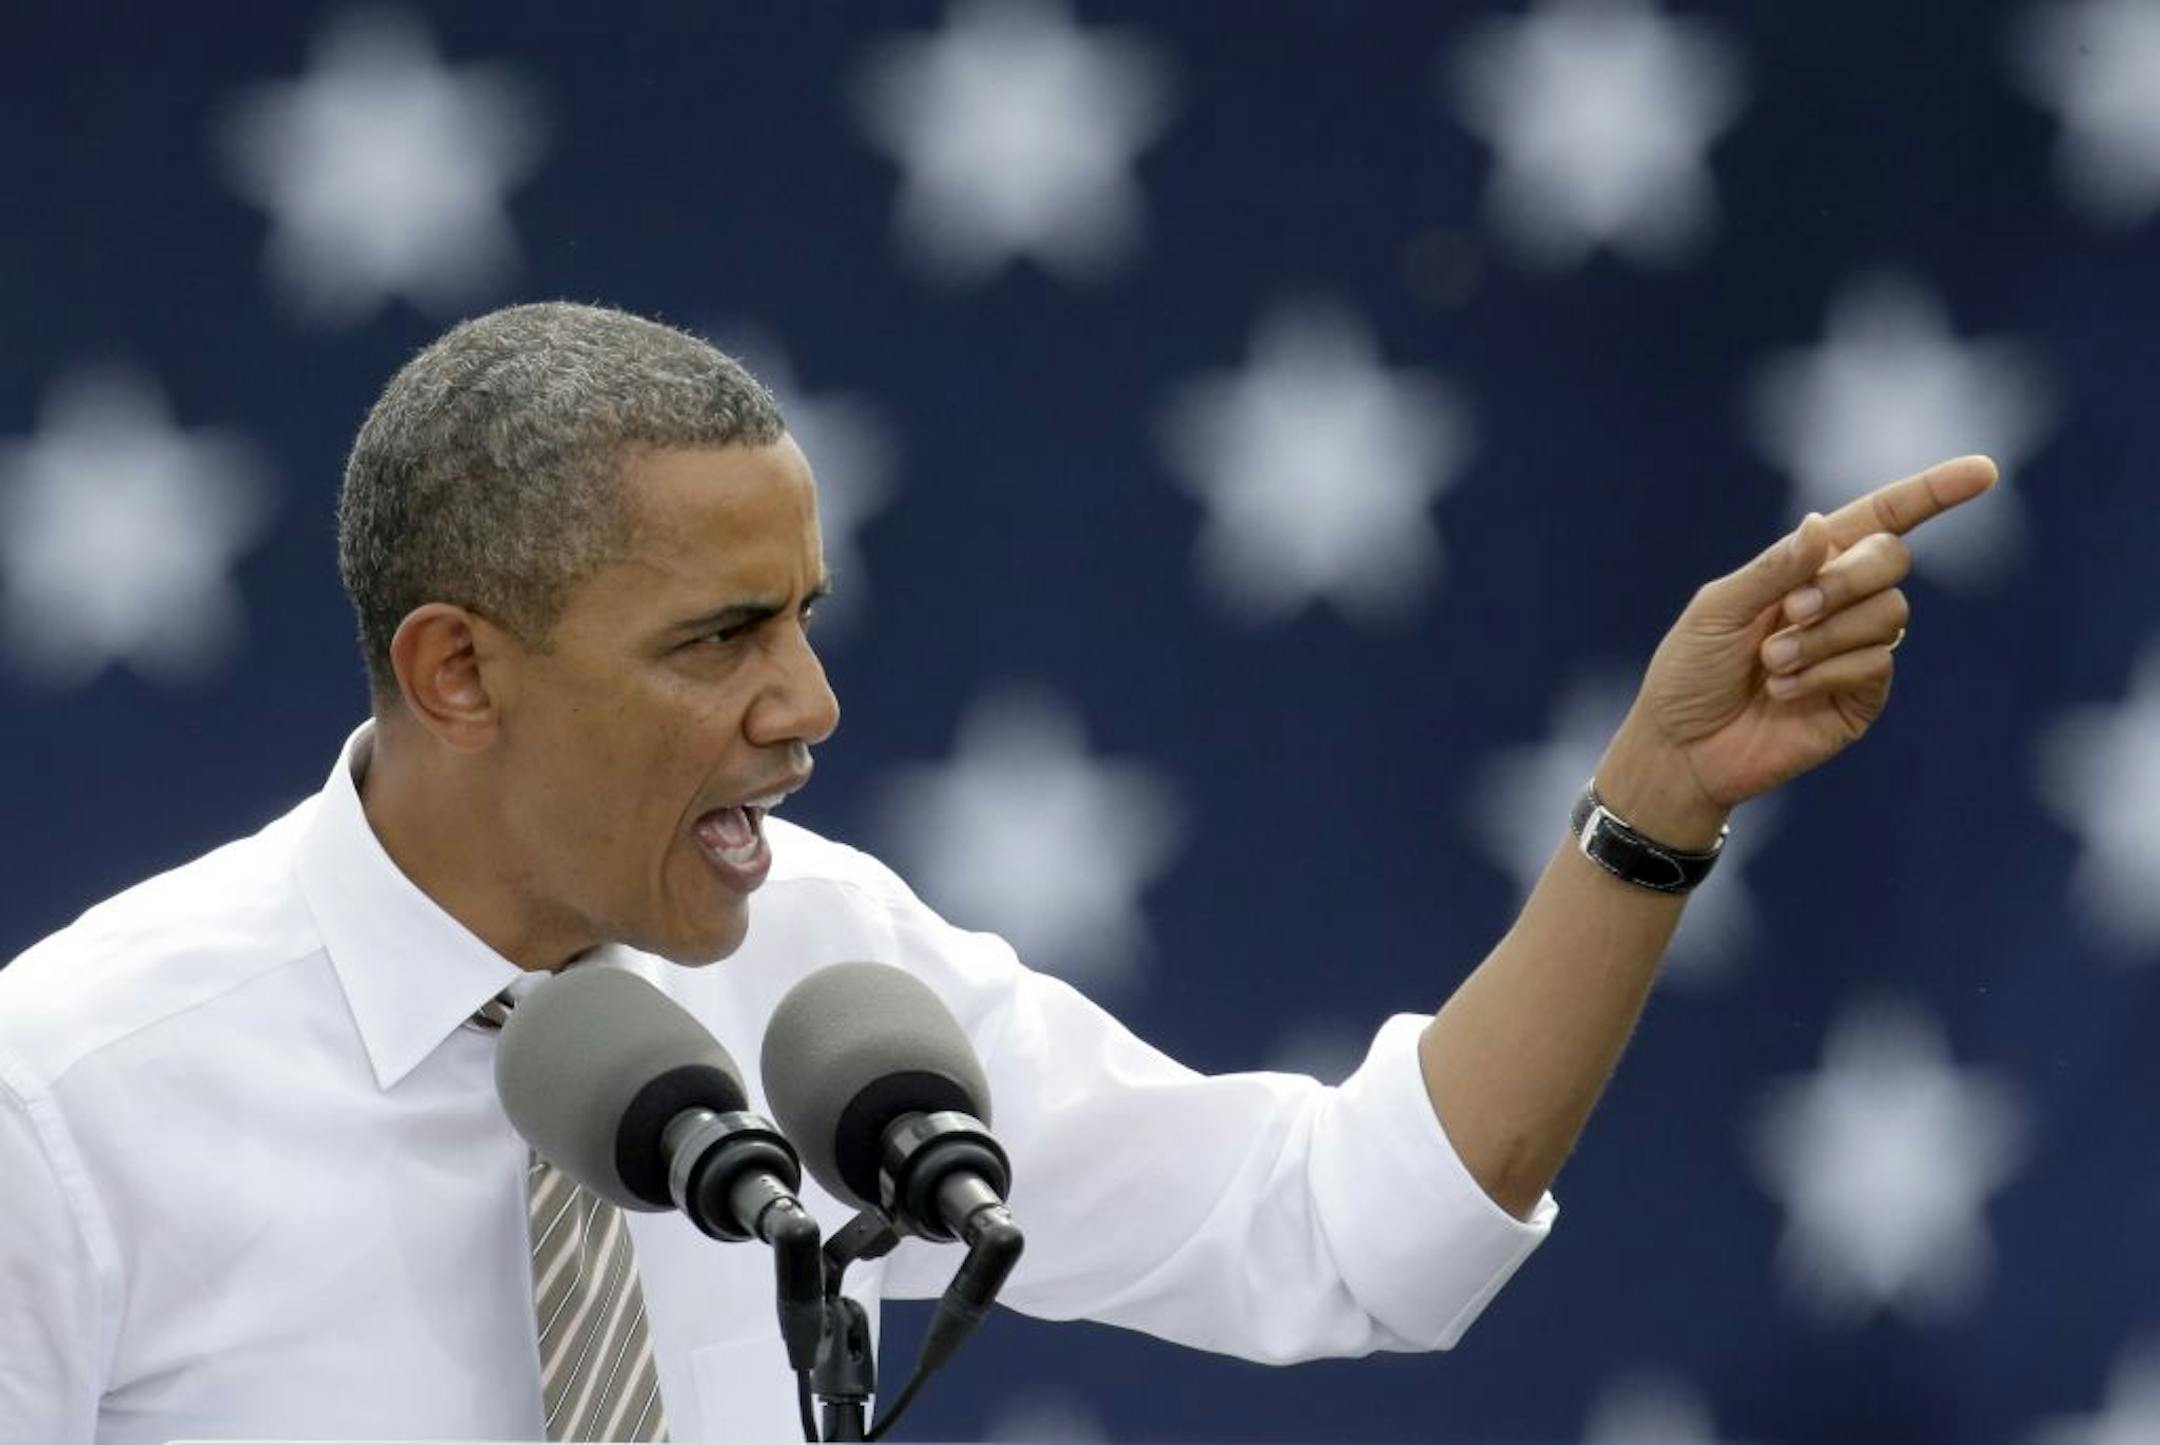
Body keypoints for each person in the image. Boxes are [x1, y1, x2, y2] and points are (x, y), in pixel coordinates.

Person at [0, 303, 1993, 1445]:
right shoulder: (69, 1098)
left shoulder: (825, 970)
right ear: (458, 673)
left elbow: (1338, 1241)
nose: (811, 704)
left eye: (805, 618)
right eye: (719, 639)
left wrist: (1650, 815)